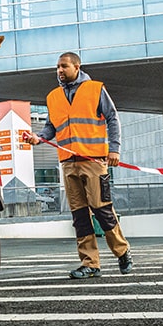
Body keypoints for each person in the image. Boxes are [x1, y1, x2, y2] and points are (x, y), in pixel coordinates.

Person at [26, 52, 133, 279]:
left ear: (77, 66)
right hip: (68, 163)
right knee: (79, 215)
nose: (59, 71)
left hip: (93, 160)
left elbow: (112, 118)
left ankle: (122, 252)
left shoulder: (95, 89)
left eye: (64, 66)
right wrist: (38, 138)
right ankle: (90, 263)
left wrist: (114, 149)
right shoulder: (53, 97)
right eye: (57, 67)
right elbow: (50, 128)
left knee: (101, 209)